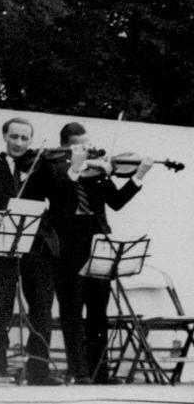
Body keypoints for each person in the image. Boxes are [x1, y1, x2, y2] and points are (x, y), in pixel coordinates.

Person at [49, 122, 152, 384]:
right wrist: (77, 168)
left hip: (98, 244)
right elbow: (60, 197)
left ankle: (100, 372)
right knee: (71, 311)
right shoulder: (55, 170)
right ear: (67, 146)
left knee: (98, 312)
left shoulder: (97, 174)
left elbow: (116, 202)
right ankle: (79, 372)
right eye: (81, 145)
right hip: (67, 247)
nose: (89, 150)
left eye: (89, 144)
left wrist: (138, 175)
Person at [0, 117, 66, 385]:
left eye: (25, 138)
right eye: (14, 137)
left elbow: (62, 200)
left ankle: (39, 372)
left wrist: (69, 170)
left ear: (31, 141)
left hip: (38, 248)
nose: (19, 143)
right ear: (5, 137)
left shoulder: (43, 169)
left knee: (42, 310)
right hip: (1, 247)